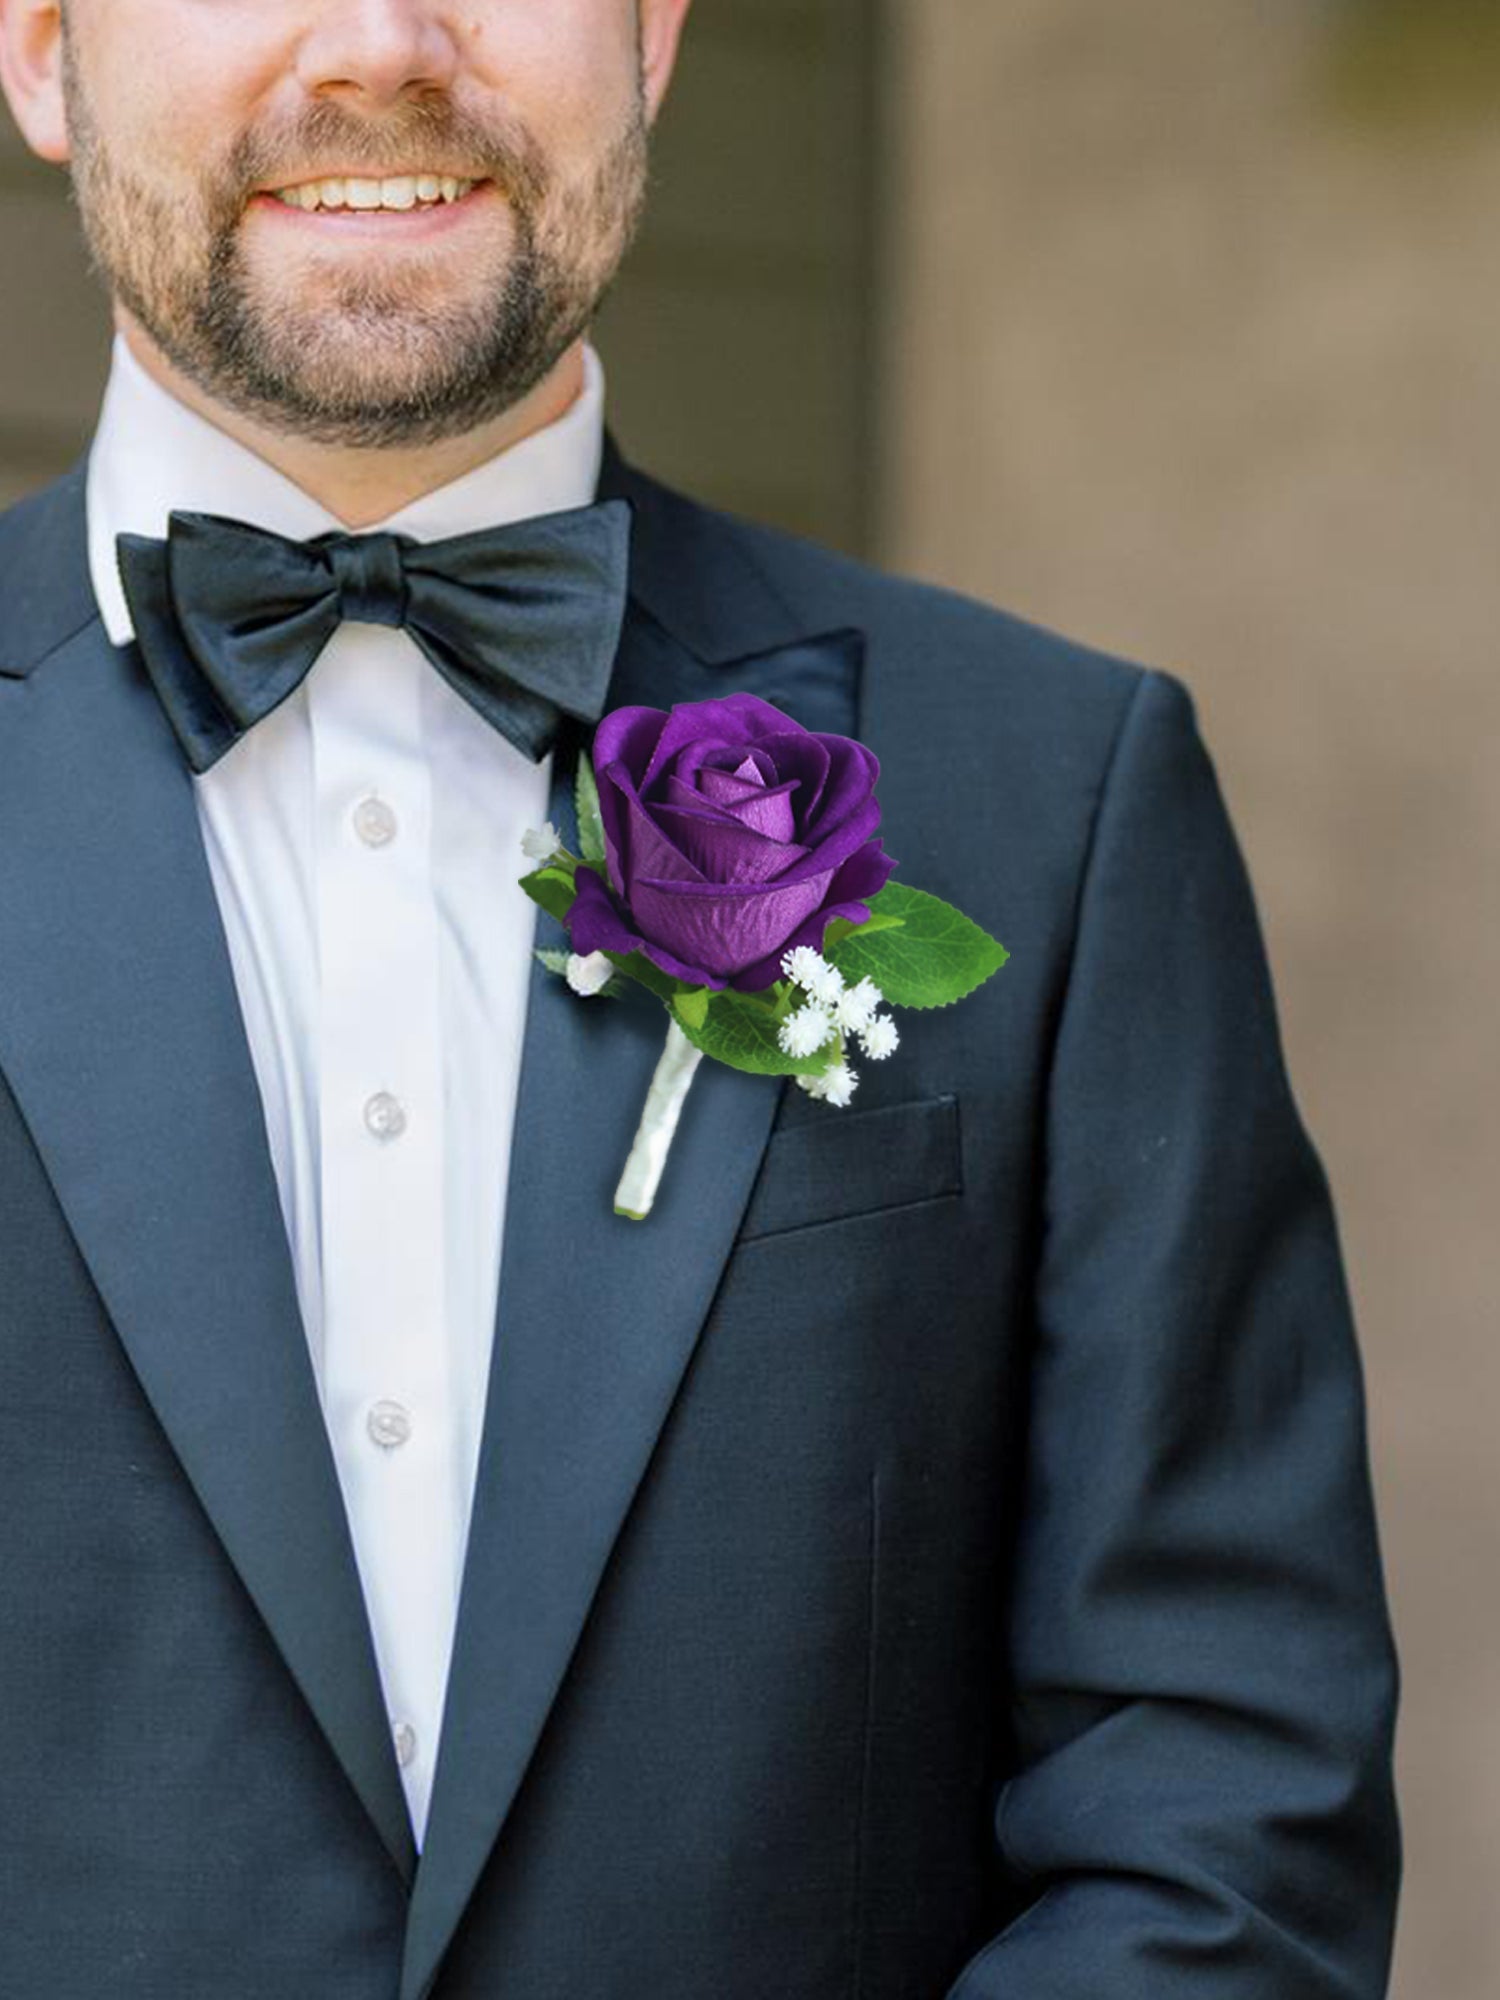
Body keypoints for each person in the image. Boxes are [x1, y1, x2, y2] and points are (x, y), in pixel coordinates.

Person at [0, 2, 1401, 1996]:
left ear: (653, 32)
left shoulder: (1059, 795)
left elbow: (1221, 1802)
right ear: (44, 50)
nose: (386, 44)